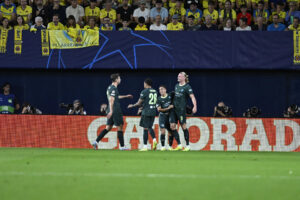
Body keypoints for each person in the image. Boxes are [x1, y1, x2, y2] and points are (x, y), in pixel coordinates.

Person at [92, 73, 133, 150]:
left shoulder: (110, 87)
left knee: (108, 128)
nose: (120, 79)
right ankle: (122, 146)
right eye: (119, 78)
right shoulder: (113, 88)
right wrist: (111, 111)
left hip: (111, 109)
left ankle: (96, 142)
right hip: (115, 110)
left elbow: (116, 97)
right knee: (120, 127)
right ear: (116, 79)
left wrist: (126, 96)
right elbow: (111, 100)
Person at [128, 78, 158, 151]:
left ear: (146, 84)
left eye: (144, 83)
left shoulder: (144, 91)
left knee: (146, 128)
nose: (143, 85)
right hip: (153, 112)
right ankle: (153, 140)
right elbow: (149, 102)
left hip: (146, 112)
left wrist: (132, 105)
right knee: (150, 126)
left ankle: (145, 146)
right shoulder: (155, 91)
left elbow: (139, 102)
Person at [169, 72, 197, 151]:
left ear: (184, 77)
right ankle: (179, 145)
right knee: (172, 126)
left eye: (180, 76)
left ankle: (188, 146)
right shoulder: (176, 86)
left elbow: (192, 97)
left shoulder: (187, 87)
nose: (178, 77)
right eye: (178, 75)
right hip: (174, 109)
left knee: (183, 126)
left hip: (181, 110)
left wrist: (195, 106)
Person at [156, 85, 181, 151]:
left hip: (170, 115)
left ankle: (175, 145)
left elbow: (179, 95)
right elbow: (159, 109)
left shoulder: (170, 95)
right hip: (162, 116)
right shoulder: (159, 99)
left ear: (165, 90)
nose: (160, 91)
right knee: (163, 131)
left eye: (162, 89)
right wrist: (168, 108)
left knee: (172, 128)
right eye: (159, 90)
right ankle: (163, 147)